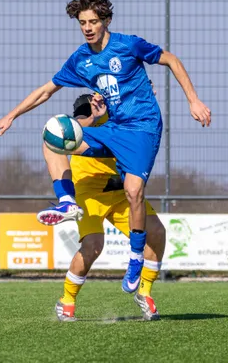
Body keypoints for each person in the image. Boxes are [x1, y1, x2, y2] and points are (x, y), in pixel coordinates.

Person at [0, 0, 211, 299]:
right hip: (114, 129)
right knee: (52, 135)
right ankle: (67, 201)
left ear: (105, 20)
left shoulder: (128, 45)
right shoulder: (81, 59)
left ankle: (136, 257)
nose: (88, 28)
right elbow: (46, 90)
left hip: (143, 128)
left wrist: (193, 100)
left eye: (93, 21)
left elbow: (171, 60)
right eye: (83, 23)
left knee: (133, 190)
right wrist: (10, 116)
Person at [54, 91, 166, 321]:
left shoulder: (126, 111)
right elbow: (76, 127)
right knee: (93, 246)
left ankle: (144, 293)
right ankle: (67, 299)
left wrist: (143, 97)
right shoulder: (87, 108)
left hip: (119, 190)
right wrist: (94, 116)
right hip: (89, 192)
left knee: (156, 232)